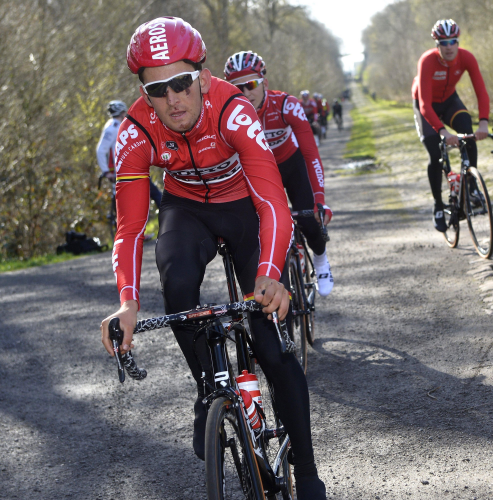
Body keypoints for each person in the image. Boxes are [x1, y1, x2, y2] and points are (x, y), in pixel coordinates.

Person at [98, 17, 326, 499]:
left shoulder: (233, 109)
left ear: (202, 76)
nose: (173, 99)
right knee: (176, 280)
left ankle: (306, 473)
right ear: (144, 92)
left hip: (245, 209)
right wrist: (126, 301)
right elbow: (130, 228)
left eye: (182, 82)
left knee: (271, 347)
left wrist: (269, 275)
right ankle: (208, 386)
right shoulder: (135, 131)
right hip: (187, 210)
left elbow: (272, 201)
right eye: (158, 89)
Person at [224, 50, 334, 296]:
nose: (246, 92)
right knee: (261, 232)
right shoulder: (228, 116)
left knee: (309, 220)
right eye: (237, 87)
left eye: (251, 84)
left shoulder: (286, 104)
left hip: (290, 165)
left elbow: (310, 153)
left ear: (265, 82)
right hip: (259, 174)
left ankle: (320, 259)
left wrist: (320, 200)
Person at [412, 19, 490, 232]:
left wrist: (483, 122)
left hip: (448, 100)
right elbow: (425, 105)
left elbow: (481, 92)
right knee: (435, 153)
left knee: (467, 129)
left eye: (453, 41)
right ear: (437, 44)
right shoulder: (427, 61)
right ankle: (438, 204)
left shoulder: (467, 58)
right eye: (443, 42)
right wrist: (443, 132)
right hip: (425, 105)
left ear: (458, 42)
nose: (449, 46)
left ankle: (472, 187)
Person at [96, 100, 162, 209]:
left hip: (133, 168)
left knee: (148, 194)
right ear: (121, 113)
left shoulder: (117, 125)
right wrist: (106, 171)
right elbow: (101, 150)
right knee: (153, 194)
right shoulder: (112, 128)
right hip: (125, 170)